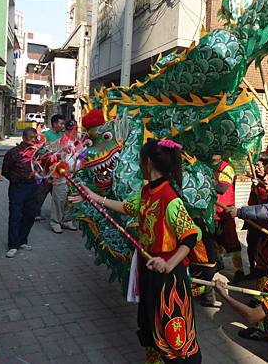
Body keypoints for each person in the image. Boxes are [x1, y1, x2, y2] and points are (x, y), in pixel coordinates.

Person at [79, 139, 202, 363]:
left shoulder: (170, 199)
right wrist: (95, 197)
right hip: (150, 268)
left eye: (140, 159)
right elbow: (128, 208)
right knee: (148, 323)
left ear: (147, 162)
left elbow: (191, 236)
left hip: (169, 276)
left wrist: (169, 263)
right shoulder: (147, 191)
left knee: (173, 332)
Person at [2, 128, 39, 258]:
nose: (34, 140)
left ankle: (22, 240)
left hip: (33, 187)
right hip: (18, 188)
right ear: (24, 138)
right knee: (15, 216)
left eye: (36, 137)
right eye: (31, 137)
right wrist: (19, 179)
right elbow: (5, 171)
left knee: (30, 214)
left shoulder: (38, 153)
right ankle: (13, 245)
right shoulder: (14, 153)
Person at [212, 152, 245, 283]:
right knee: (216, 241)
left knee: (232, 243)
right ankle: (218, 265)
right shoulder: (206, 166)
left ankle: (239, 271)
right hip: (213, 212)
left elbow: (222, 188)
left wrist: (204, 185)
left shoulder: (227, 168)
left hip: (225, 211)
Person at [43, 114, 76, 233]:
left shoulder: (69, 138)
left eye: (74, 129)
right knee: (59, 198)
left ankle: (67, 220)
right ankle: (55, 222)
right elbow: (42, 150)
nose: (72, 131)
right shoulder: (47, 135)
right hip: (58, 172)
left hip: (72, 173)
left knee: (70, 199)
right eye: (68, 128)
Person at [245, 152, 268, 280]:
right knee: (251, 246)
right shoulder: (257, 178)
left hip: (264, 222)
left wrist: (260, 185)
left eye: (259, 166)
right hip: (253, 220)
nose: (256, 168)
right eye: (255, 165)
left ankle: (263, 279)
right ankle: (252, 271)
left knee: (262, 251)